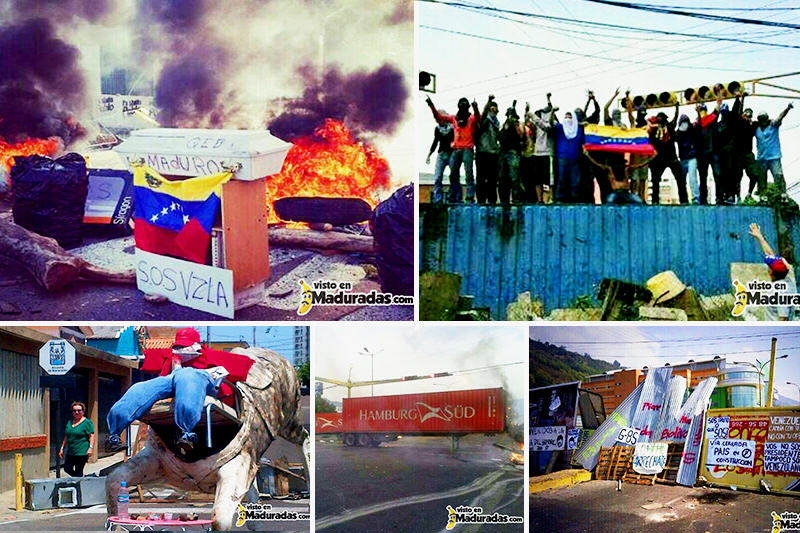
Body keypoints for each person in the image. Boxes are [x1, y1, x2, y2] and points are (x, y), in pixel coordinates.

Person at [105, 328, 254, 453]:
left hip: (199, 378)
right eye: (178, 346)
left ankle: (185, 432)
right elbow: (148, 357)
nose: (181, 349)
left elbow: (243, 365)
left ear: (196, 344)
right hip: (173, 378)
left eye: (185, 345)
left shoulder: (210, 355)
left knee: (187, 376)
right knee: (140, 387)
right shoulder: (171, 356)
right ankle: (114, 434)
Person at [425, 96, 481, 203]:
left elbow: (478, 117)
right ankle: (454, 196)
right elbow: (439, 117)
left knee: (468, 173)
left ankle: (469, 197)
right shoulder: (454, 119)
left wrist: (476, 107)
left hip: (467, 149)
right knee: (454, 174)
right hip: (457, 149)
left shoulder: (469, 118)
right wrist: (431, 105)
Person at [749, 222, 796, 320]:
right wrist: (759, 237)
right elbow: (770, 254)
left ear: (771, 273)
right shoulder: (788, 280)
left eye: (769, 267)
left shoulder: (779, 291)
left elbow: (783, 318)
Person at [648, 103, 687, 204]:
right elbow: (650, 141)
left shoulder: (669, 127)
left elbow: (675, 119)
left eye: (663, 118)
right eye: (660, 118)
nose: (662, 120)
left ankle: (683, 200)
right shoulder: (654, 129)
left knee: (680, 179)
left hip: (671, 157)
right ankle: (654, 201)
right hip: (658, 159)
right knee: (655, 181)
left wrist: (677, 108)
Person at [731, 93, 766, 198]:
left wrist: (769, 121)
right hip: (737, 154)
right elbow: (738, 111)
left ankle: (749, 193)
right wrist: (742, 98)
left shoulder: (753, 125)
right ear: (742, 115)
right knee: (737, 177)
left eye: (749, 115)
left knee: (755, 174)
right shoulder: (738, 123)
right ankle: (738, 196)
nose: (747, 117)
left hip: (748, 155)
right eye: (746, 114)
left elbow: (763, 122)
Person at [755, 102, 793, 192]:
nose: (763, 120)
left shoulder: (773, 125)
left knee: (778, 175)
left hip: (774, 157)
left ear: (767, 118)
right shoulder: (756, 129)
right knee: (761, 179)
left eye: (764, 118)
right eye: (761, 119)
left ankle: (782, 194)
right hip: (762, 158)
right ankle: (762, 195)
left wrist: (787, 108)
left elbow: (780, 116)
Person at [551, 109, 585, 203]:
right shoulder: (560, 127)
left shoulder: (578, 130)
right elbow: (550, 124)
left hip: (575, 158)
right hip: (562, 157)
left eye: (570, 117)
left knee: (575, 180)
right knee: (562, 178)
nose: (567, 119)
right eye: (565, 117)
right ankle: (560, 198)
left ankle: (575, 198)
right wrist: (552, 112)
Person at [425, 109, 457, 204]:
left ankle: (453, 198)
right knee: (437, 177)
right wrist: (429, 155)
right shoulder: (437, 129)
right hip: (441, 154)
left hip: (452, 154)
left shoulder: (453, 128)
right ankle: (437, 200)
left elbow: (458, 139)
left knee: (454, 176)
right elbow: (435, 142)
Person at [497, 102, 525, 204]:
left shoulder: (518, 124)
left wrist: (516, 125)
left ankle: (516, 199)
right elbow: (499, 138)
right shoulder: (505, 125)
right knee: (502, 178)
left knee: (514, 178)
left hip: (513, 153)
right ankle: (504, 200)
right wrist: (506, 127)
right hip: (503, 152)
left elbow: (522, 137)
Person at [475, 95, 500, 204]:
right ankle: (481, 200)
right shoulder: (485, 120)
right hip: (482, 152)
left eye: (495, 108)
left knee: (493, 179)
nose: (493, 110)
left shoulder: (497, 123)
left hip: (493, 153)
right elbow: (484, 115)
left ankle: (492, 200)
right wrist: (488, 101)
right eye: (492, 108)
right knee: (481, 178)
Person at [695, 99, 721, 204]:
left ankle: (719, 197)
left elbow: (717, 110)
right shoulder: (697, 124)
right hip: (702, 155)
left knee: (717, 175)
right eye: (701, 110)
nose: (702, 112)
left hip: (713, 152)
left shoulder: (712, 119)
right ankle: (703, 199)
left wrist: (718, 102)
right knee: (702, 177)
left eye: (703, 110)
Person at [60, 401, 94, 477]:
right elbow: (67, 436)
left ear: (83, 411)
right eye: (74, 411)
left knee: (79, 470)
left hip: (81, 452)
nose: (77, 412)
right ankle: (81, 480)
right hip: (71, 451)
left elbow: (91, 436)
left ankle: (79, 485)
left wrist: (90, 448)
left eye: (79, 410)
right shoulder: (70, 422)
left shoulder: (87, 423)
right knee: (67, 468)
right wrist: (62, 448)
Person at [675, 114, 701, 204]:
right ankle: (684, 199)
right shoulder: (678, 133)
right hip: (683, 158)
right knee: (682, 180)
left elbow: (699, 125)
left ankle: (696, 197)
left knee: (692, 178)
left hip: (691, 157)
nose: (685, 124)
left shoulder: (692, 130)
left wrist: (697, 114)